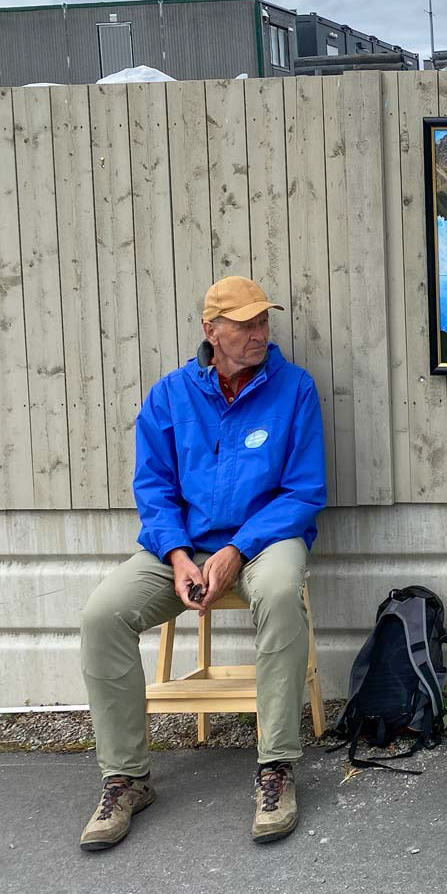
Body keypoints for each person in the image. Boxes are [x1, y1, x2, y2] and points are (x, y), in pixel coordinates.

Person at [77, 276, 327, 850]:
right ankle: (126, 778)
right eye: (245, 325)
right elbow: (154, 488)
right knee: (101, 616)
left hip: (265, 542)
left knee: (282, 592)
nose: (259, 334)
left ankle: (278, 768)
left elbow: (304, 491)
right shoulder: (170, 395)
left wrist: (238, 549)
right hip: (181, 549)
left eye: (264, 322)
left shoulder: (295, 390)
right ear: (210, 331)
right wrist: (178, 555)